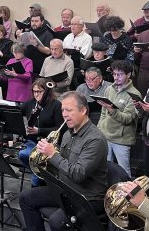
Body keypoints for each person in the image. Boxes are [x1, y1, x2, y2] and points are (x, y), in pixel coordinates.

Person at [19, 91, 108, 231]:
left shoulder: (95, 140)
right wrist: (44, 157)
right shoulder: (68, 133)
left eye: (69, 110)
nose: (64, 114)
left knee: (57, 221)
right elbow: (61, 164)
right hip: (66, 188)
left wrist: (52, 154)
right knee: (25, 197)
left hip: (86, 196)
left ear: (83, 110)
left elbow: (78, 174)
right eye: (62, 110)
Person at [97, 61, 140, 177]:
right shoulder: (109, 89)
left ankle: (128, 194)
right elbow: (103, 113)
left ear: (129, 75)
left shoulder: (135, 94)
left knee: (124, 172)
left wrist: (112, 110)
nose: (116, 77)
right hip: (106, 135)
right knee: (105, 169)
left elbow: (128, 118)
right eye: (114, 74)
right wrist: (99, 129)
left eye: (120, 74)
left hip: (122, 140)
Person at [18, 79, 62, 186]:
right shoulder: (30, 103)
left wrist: (39, 130)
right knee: (23, 154)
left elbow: (60, 128)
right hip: (32, 142)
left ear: (47, 91)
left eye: (39, 91)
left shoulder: (56, 105)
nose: (36, 94)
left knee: (37, 160)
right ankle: (40, 173)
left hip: (49, 143)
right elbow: (16, 112)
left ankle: (39, 178)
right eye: (34, 91)